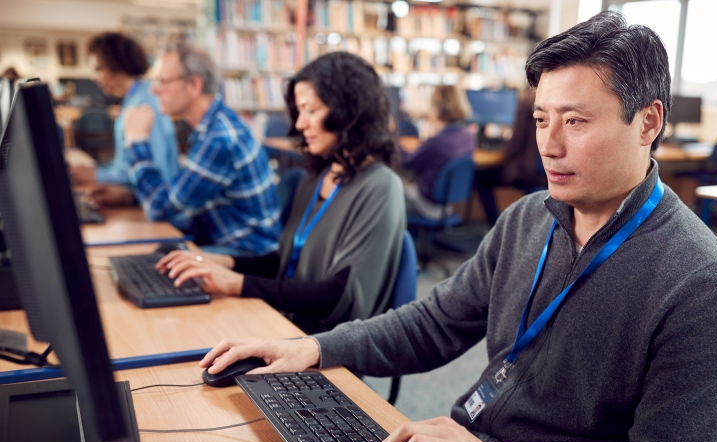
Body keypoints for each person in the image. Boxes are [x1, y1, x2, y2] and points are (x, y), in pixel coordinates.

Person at [197, 11, 717, 442]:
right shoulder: (528, 219)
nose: (548, 147)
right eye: (540, 120)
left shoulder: (698, 281)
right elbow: (432, 324)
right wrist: (315, 349)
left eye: (575, 122)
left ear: (648, 122)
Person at [157, 52, 405, 334]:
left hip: (324, 342)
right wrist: (218, 262)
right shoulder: (317, 177)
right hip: (283, 321)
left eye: (311, 110)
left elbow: (337, 297)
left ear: (349, 112)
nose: (300, 124)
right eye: (299, 112)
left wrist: (235, 283)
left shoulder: (379, 187)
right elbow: (285, 263)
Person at [123, 41, 281, 256]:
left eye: (162, 82)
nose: (154, 90)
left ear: (194, 85)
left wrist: (137, 141)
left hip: (247, 254)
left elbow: (159, 209)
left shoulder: (219, 139)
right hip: (222, 237)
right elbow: (180, 194)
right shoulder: (211, 126)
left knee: (151, 262)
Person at [70, 32, 179, 208]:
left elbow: (157, 169)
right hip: (143, 199)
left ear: (116, 65)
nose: (95, 77)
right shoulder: (134, 98)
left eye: (99, 69)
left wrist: (95, 175)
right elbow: (127, 164)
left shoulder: (145, 103)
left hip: (158, 207)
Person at [400, 85, 476, 220]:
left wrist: (392, 139)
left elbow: (405, 162)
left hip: (427, 206)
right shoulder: (469, 136)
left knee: (388, 188)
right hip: (448, 205)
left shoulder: (437, 142)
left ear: (437, 108)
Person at [473, 87, 547, 225]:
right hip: (544, 170)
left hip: (527, 171)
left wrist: (503, 148)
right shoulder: (551, 102)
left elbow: (514, 146)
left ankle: (495, 224)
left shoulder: (527, 103)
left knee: (481, 178)